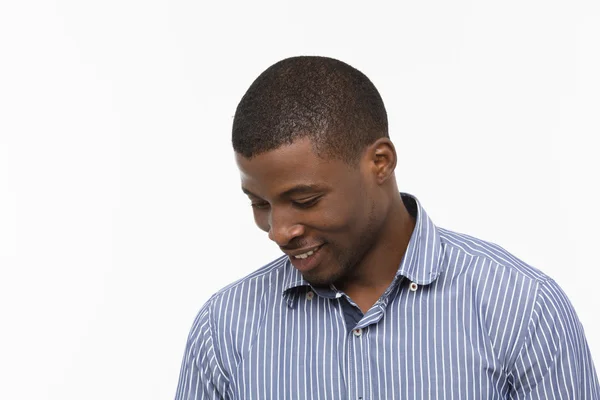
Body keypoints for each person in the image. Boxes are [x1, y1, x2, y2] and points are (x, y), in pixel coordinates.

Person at [175, 56, 599, 399]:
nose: (279, 231)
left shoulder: (522, 310)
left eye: (305, 201)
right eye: (259, 204)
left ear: (380, 162)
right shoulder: (225, 328)